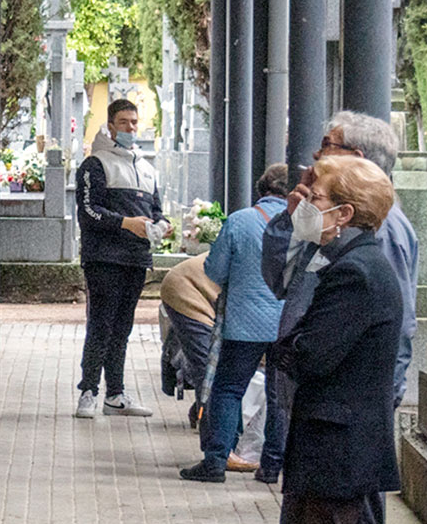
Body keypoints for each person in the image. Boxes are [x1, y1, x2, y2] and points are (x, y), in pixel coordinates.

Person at [230, 112, 418, 524]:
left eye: (327, 151)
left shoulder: (375, 242)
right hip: (316, 401)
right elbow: (281, 278)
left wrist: (378, 397)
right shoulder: (327, 233)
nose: (313, 161)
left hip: (347, 410)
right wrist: (291, 222)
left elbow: (397, 326)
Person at [264, 155, 403, 524]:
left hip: (335, 444)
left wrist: (286, 346)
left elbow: (312, 353)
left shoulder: (354, 271)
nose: (304, 204)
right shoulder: (354, 263)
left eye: (315, 196)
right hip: (336, 442)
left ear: (344, 213)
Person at [181, 165, 289, 483]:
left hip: (244, 324)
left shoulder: (240, 221)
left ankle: (216, 461)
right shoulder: (303, 224)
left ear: (261, 189)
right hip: (286, 323)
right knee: (278, 393)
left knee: (228, 389)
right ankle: (271, 466)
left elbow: (214, 271)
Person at [74, 98, 165, 419]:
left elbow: (156, 211)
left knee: (122, 328)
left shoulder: (147, 168)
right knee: (101, 324)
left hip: (136, 260)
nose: (131, 128)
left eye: (134, 122)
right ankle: (88, 391)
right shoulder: (95, 164)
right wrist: (127, 224)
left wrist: (161, 226)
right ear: (110, 125)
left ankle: (115, 394)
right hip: (104, 260)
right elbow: (88, 212)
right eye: (124, 122)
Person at [158, 253, 219, 430]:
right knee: (208, 366)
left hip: (208, 290)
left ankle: (203, 415)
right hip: (186, 289)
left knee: (220, 368)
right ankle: (214, 440)